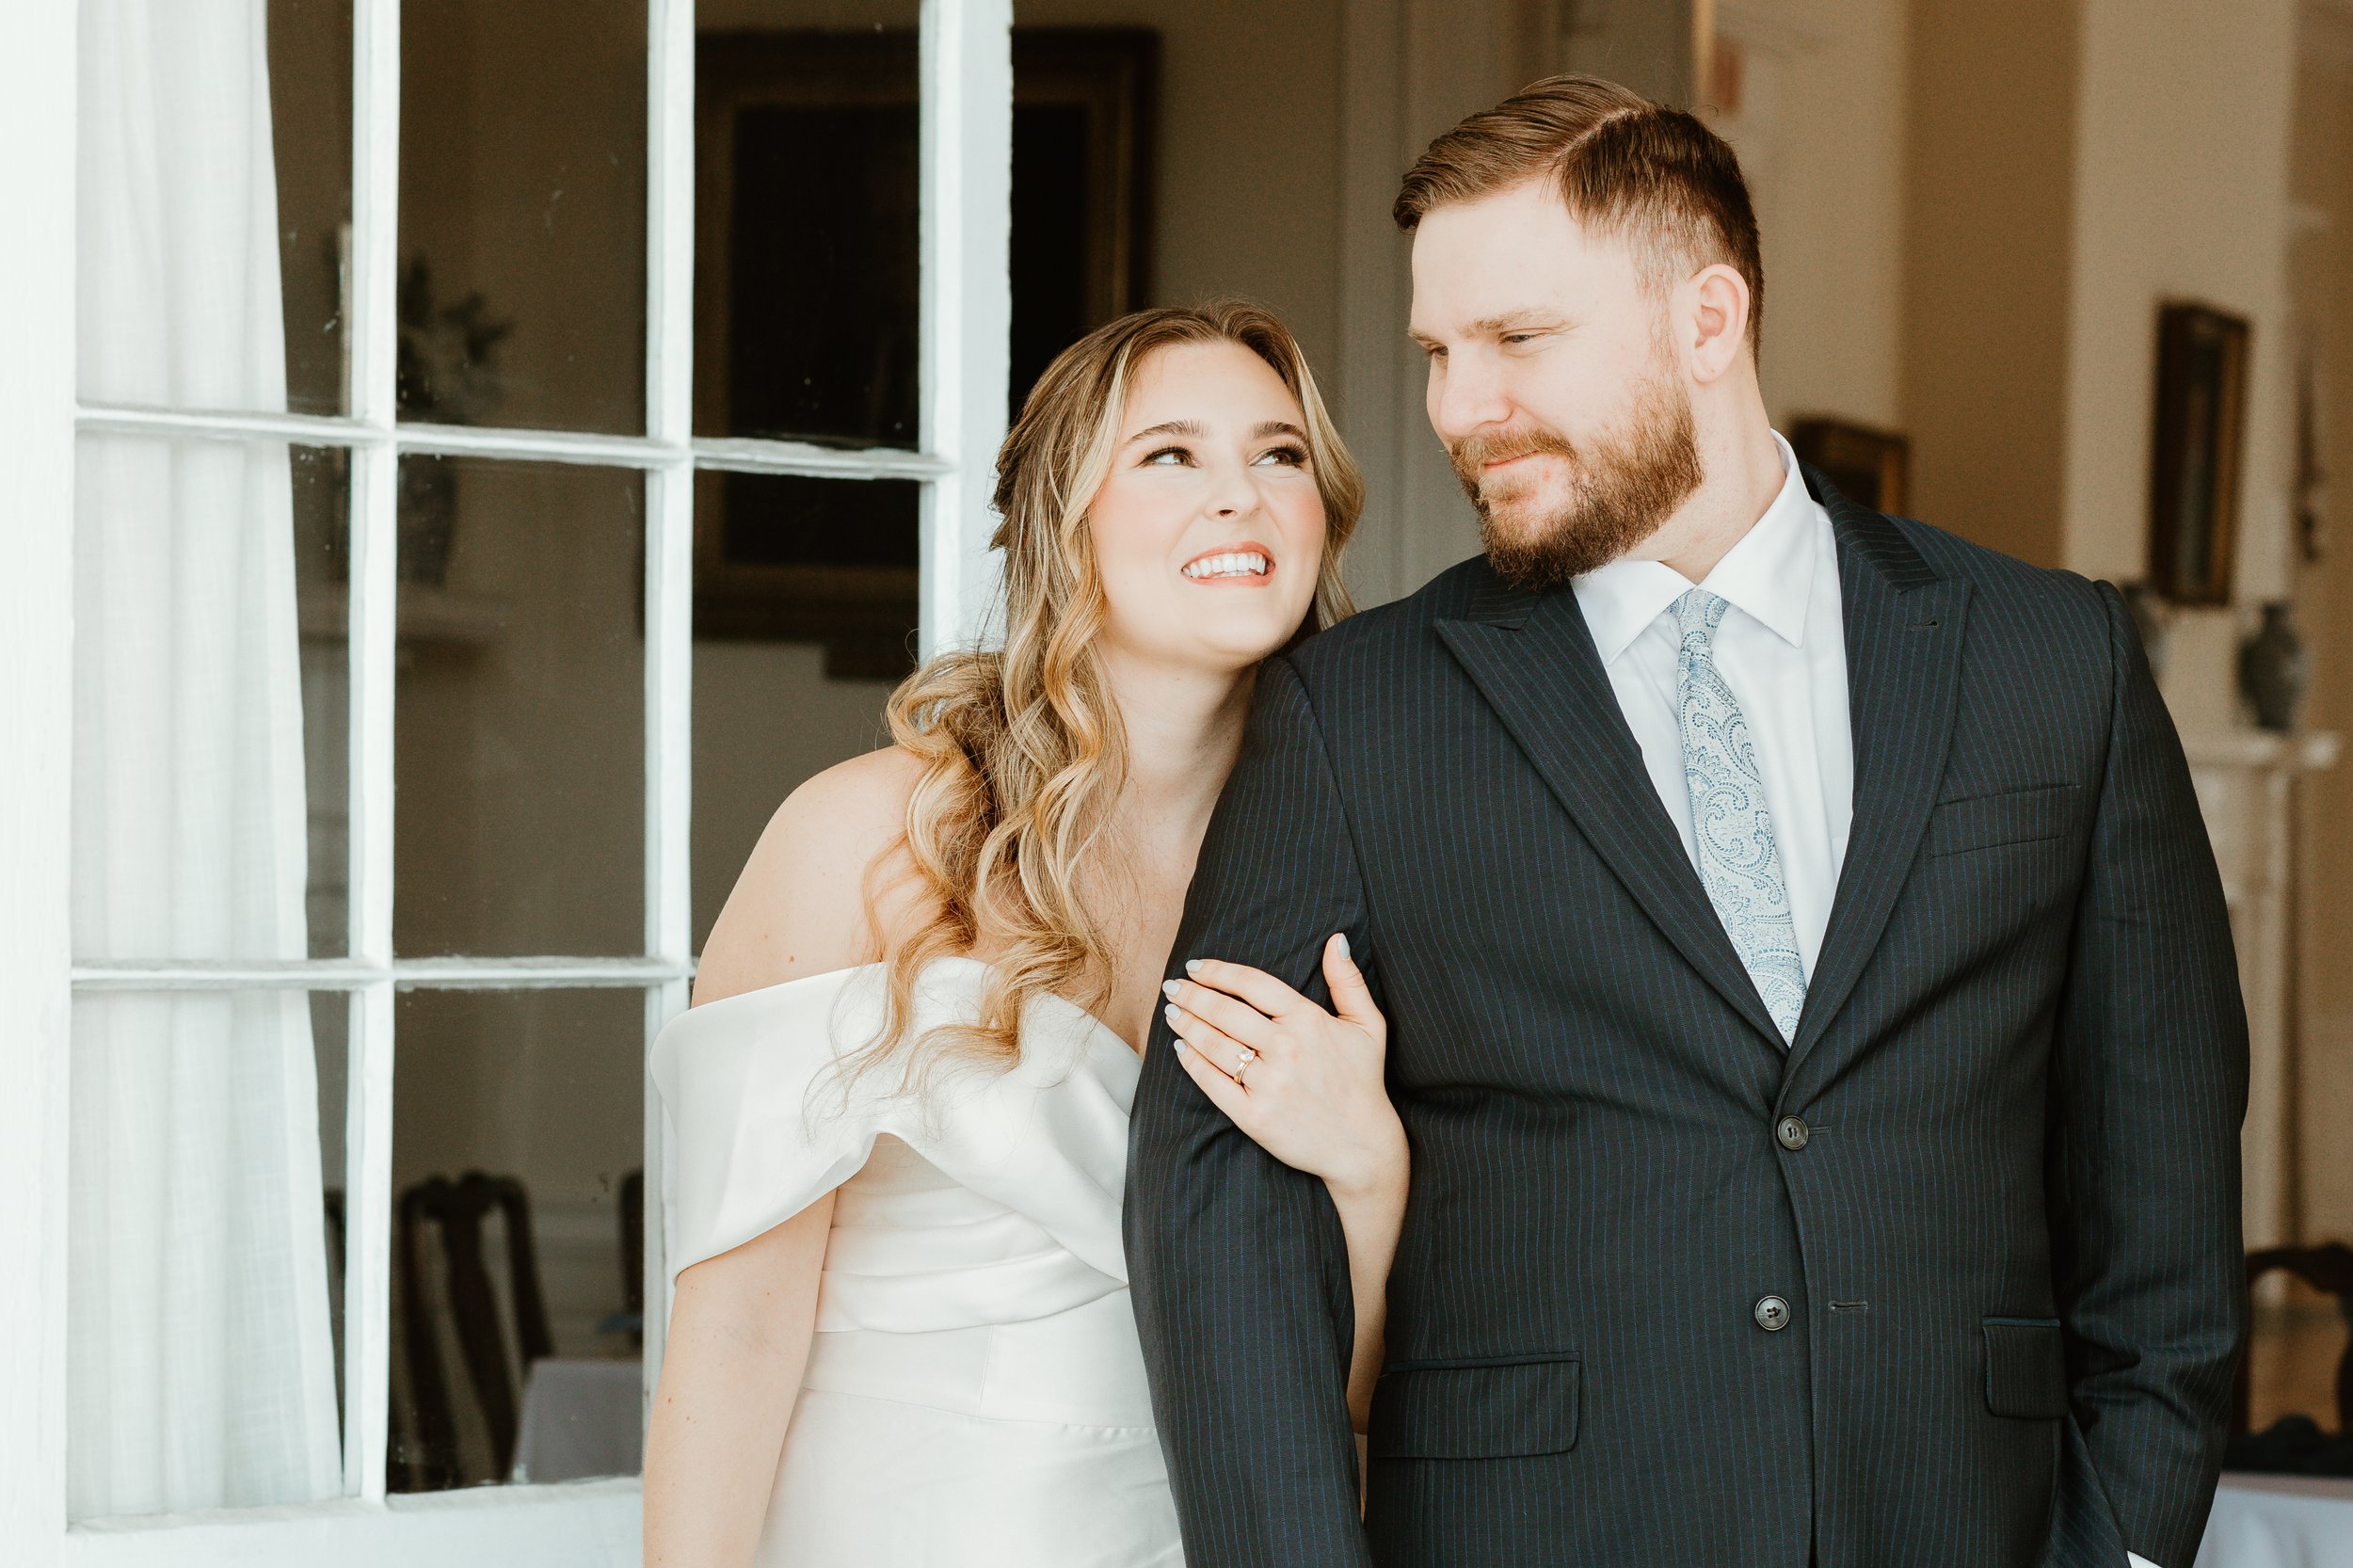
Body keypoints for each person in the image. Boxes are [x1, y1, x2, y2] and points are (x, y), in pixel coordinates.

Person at [1127, 74, 2247, 1568]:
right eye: (1440, 354)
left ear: (1707, 321)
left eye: (1520, 341)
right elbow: (1214, 1208)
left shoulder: (2057, 662)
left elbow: (2163, 1184)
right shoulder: (1357, 711)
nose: (1461, 408)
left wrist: (2120, 1552)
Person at [641, 302, 1408, 1568]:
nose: (1242, 496)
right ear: (1067, 516)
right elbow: (734, 1336)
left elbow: (1357, 1408)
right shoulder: (863, 839)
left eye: (1279, 455)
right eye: (1171, 454)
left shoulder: (1356, 891)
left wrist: (1371, 1168)